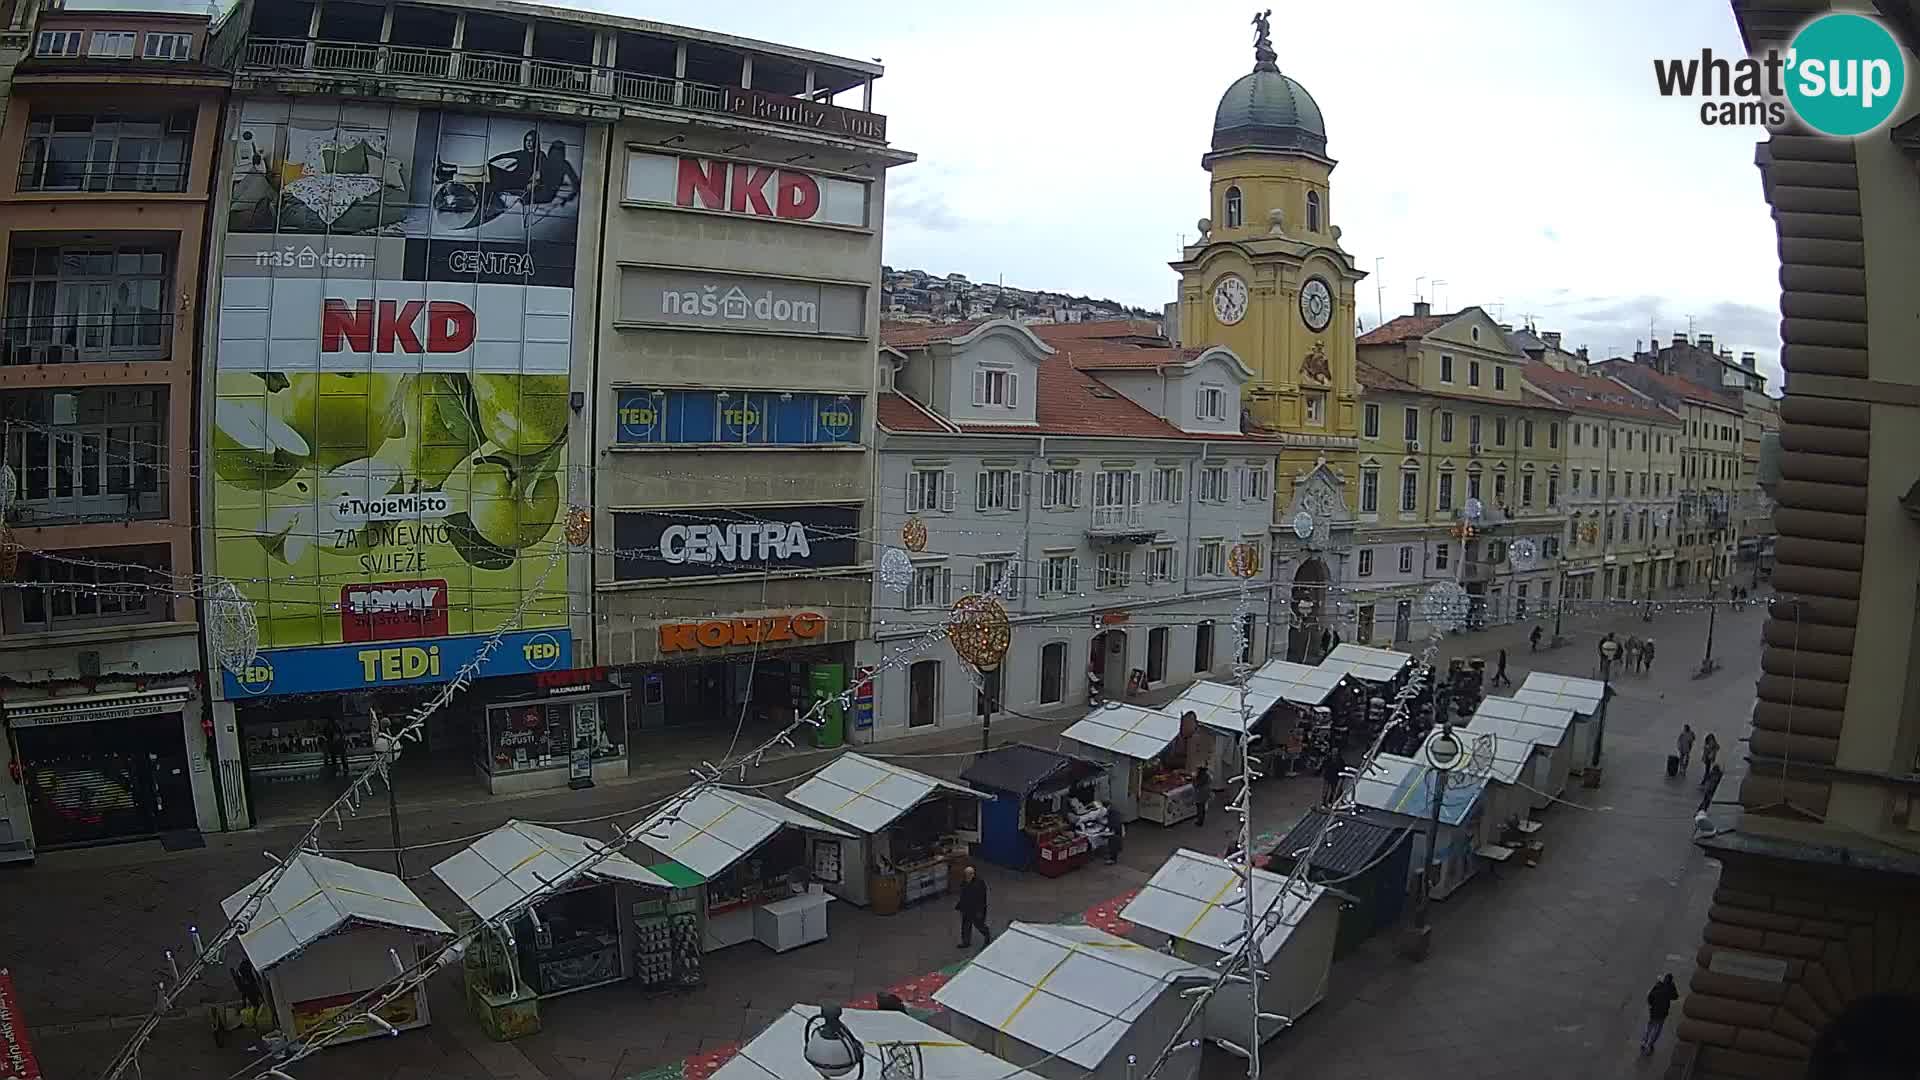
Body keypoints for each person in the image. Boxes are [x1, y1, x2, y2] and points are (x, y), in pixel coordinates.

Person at [1642, 973, 1680, 1055]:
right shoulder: (1670, 988)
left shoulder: (1658, 985)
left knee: (1650, 1025)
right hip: (1662, 1013)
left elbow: (1650, 996)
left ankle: (1644, 1041)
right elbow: (1675, 996)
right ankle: (1649, 1045)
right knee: (1657, 1029)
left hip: (1653, 1011)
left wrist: (1651, 1005)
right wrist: (1672, 986)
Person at [956, 865, 991, 948]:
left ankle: (987, 935)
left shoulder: (979, 883)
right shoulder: (964, 881)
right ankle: (966, 942)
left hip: (976, 909)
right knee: (965, 926)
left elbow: (982, 898)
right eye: (966, 874)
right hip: (967, 908)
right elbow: (963, 894)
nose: (967, 876)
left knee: (979, 925)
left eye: (969, 874)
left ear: (973, 874)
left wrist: (980, 911)